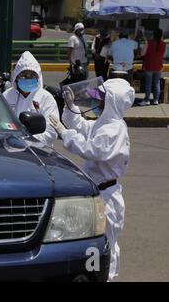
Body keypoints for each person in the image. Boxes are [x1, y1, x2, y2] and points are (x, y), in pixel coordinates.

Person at [49, 78, 135, 282]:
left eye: (104, 98)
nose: (99, 102)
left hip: (108, 196)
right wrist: (71, 107)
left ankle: (108, 278)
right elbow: (81, 126)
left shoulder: (114, 129)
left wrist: (65, 133)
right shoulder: (104, 123)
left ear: (114, 101)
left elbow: (92, 150)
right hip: (99, 192)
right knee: (94, 244)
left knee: (107, 245)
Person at [3, 51, 59, 147]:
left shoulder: (46, 98)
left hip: (39, 152)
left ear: (38, 77)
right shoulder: (6, 96)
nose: (28, 79)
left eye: (33, 75)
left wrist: (26, 141)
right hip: (9, 148)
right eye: (24, 75)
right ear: (16, 76)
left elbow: (51, 132)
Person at [139, 28, 167, 106]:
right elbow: (164, 55)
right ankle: (156, 100)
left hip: (149, 65)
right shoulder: (164, 44)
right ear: (161, 35)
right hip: (158, 66)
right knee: (156, 83)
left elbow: (142, 54)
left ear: (153, 34)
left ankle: (147, 100)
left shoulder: (149, 43)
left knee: (148, 84)